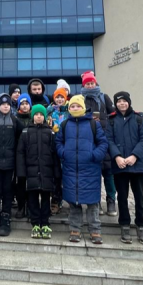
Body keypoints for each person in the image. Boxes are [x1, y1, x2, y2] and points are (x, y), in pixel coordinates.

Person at [56, 95, 108, 244]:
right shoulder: (65, 124)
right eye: (72, 106)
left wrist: (95, 155)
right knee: (74, 202)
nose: (75, 108)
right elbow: (58, 142)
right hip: (71, 168)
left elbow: (103, 143)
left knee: (92, 203)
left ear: (83, 107)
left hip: (90, 169)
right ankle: (75, 229)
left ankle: (95, 230)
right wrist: (64, 153)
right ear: (69, 108)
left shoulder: (93, 124)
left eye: (78, 106)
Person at [106, 91, 143, 245]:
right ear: (115, 104)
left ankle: (141, 225)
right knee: (122, 197)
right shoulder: (111, 120)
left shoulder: (138, 118)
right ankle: (124, 225)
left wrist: (134, 156)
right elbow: (108, 140)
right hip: (120, 166)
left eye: (124, 101)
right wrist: (117, 157)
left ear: (129, 102)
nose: (122, 104)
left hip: (137, 165)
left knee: (139, 197)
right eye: (119, 102)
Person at [17, 104, 60, 239]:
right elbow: (20, 153)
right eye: (36, 114)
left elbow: (55, 154)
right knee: (33, 199)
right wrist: (21, 172)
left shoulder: (51, 133)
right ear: (32, 116)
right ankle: (35, 223)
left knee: (46, 198)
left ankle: (45, 223)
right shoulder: (25, 132)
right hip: (31, 172)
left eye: (41, 114)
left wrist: (56, 172)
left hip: (46, 172)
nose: (39, 116)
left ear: (45, 116)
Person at [0, 93, 24, 237]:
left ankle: (6, 219)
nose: (5, 106)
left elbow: (23, 136)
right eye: (3, 104)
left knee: (7, 191)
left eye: (8, 104)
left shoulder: (15, 120)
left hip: (10, 164)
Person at [80, 70, 117, 217]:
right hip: (88, 140)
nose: (90, 85)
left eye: (92, 83)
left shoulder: (103, 97)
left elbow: (113, 115)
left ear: (95, 83)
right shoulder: (80, 99)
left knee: (108, 173)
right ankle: (96, 202)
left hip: (104, 140)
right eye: (87, 83)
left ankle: (111, 200)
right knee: (93, 174)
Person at [47, 87, 69, 215]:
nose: (59, 99)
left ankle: (67, 199)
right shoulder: (50, 112)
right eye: (57, 97)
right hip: (53, 146)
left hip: (66, 146)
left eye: (62, 97)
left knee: (66, 176)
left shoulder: (69, 112)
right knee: (55, 176)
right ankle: (55, 200)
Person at [14, 93, 32, 219]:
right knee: (20, 182)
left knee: (31, 182)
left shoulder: (35, 117)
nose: (25, 106)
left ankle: (30, 206)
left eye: (27, 104)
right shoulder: (15, 119)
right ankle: (21, 206)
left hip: (32, 155)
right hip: (18, 154)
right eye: (22, 104)